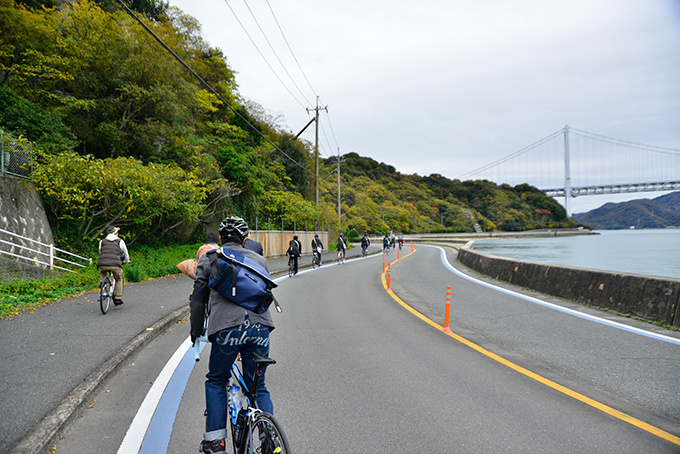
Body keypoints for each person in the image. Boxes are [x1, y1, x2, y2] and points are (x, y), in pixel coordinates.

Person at [190, 217, 277, 454]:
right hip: (260, 327)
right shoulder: (259, 260)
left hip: (227, 329)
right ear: (245, 239)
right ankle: (269, 439)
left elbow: (198, 300)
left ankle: (215, 442)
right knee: (258, 387)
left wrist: (196, 333)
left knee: (217, 379)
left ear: (220, 239)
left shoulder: (209, 259)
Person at [97, 226, 130, 305]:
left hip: (103, 262)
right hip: (115, 264)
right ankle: (118, 297)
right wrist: (127, 261)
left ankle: (102, 283)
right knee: (118, 278)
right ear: (115, 233)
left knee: (103, 271)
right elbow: (126, 253)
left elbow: (100, 251)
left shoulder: (102, 241)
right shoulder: (120, 241)